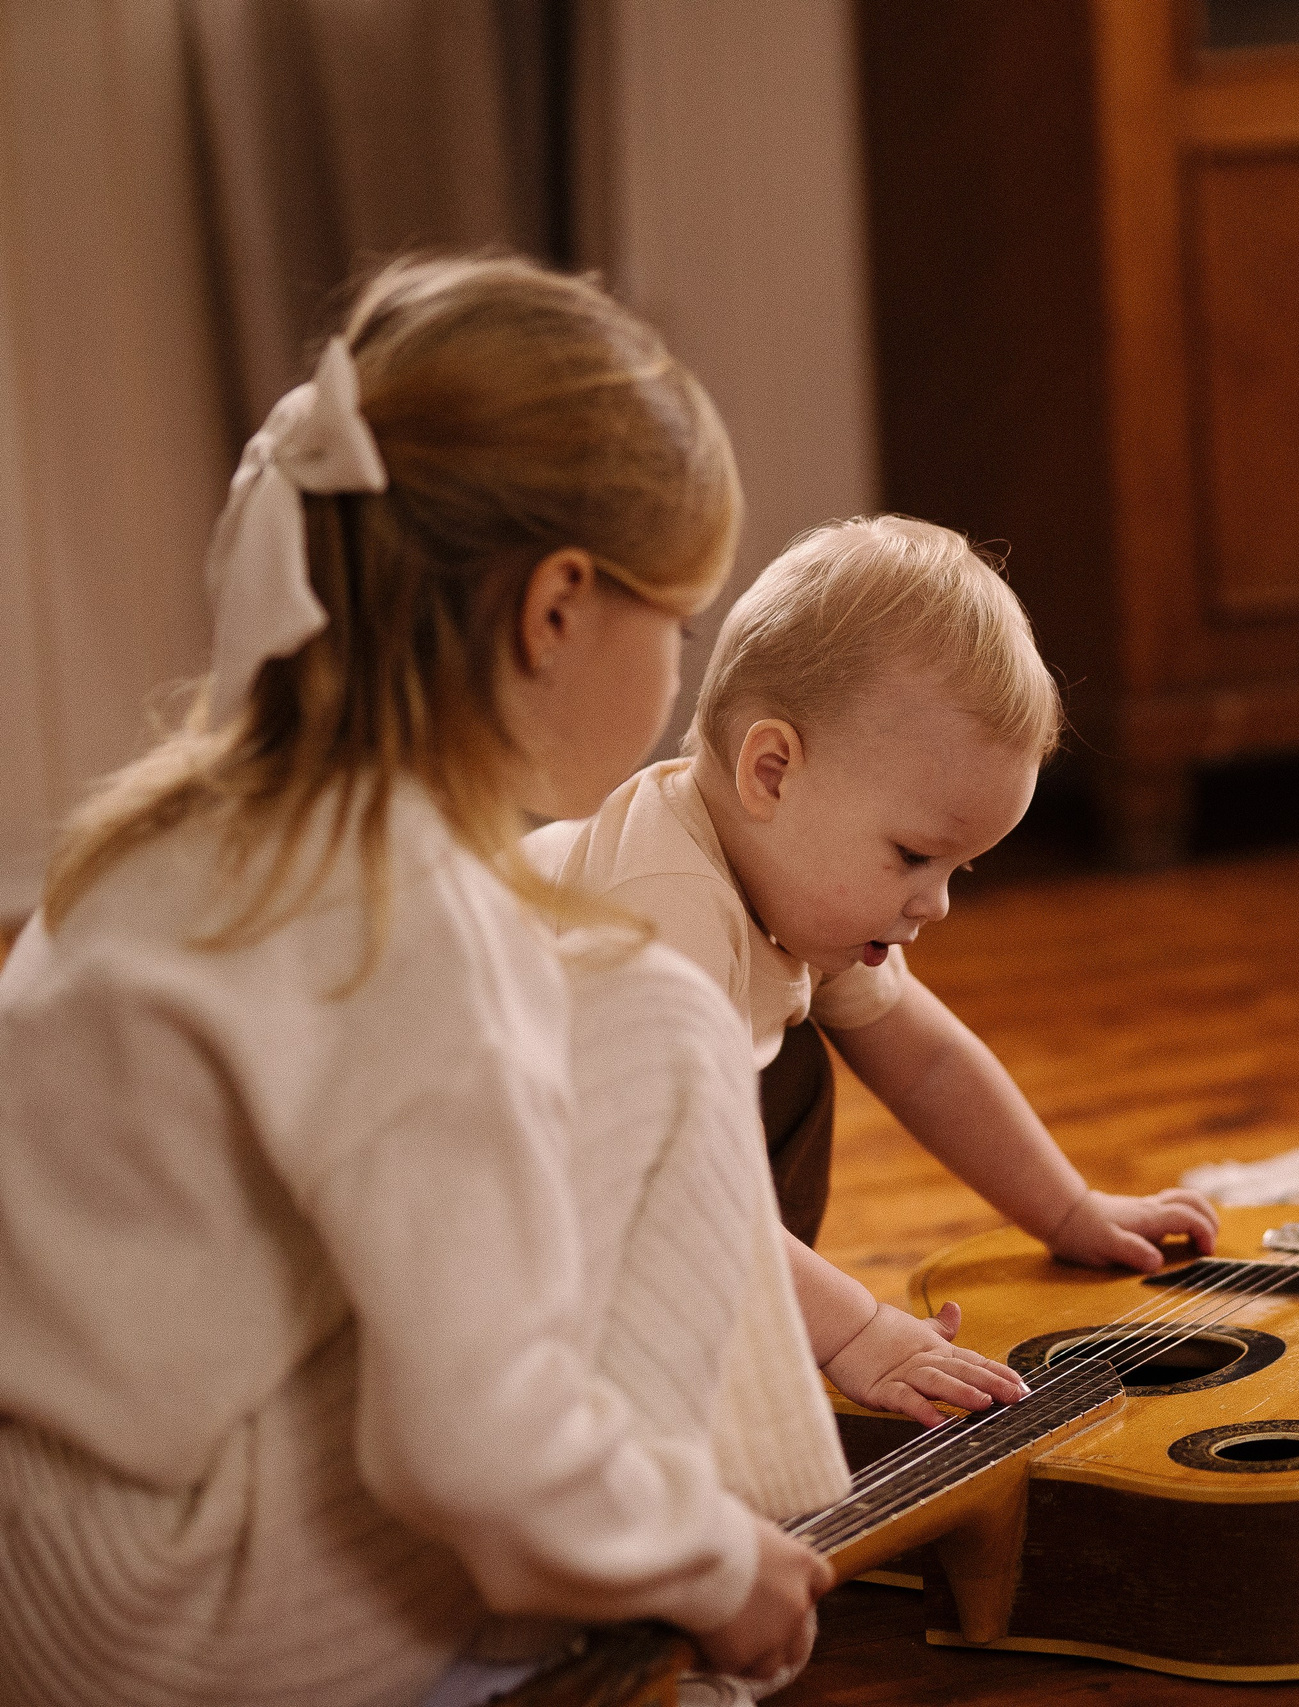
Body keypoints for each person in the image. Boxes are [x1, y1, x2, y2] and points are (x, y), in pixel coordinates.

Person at [0, 256, 1014, 1707]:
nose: (682, 671)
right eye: (676, 620)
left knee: (601, 1015)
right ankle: (653, 1615)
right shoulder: (409, 917)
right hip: (153, 1617)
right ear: (556, 610)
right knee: (656, 1019)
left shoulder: (206, 817)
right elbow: (455, 1444)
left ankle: (640, 1549)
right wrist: (704, 1559)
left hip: (40, 1547)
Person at [525, 514, 1221, 1380]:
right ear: (771, 771)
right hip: (476, 1190)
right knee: (757, 1105)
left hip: (607, 1166)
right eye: (913, 856)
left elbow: (926, 1064)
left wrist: (1068, 1208)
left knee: (794, 1068)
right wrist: (856, 1332)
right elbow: (678, 1192)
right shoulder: (659, 915)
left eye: (960, 868)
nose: (934, 902)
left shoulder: (791, 885)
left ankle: (735, 1325)